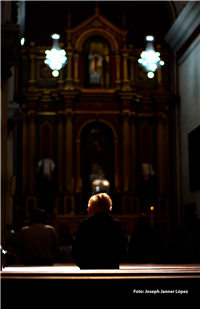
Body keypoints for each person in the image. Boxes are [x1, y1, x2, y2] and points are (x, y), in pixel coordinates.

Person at [71, 193, 124, 269]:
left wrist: (83, 265)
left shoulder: (85, 224)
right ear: (109, 209)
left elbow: (75, 251)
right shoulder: (116, 224)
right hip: (110, 268)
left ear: (90, 210)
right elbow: (121, 251)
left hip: (88, 268)